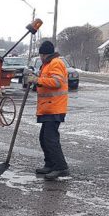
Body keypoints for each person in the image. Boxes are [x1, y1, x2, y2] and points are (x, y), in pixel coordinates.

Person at [28, 41, 69, 180]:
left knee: (50, 139)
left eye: (40, 55)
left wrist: (37, 80)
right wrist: (35, 81)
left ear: (45, 54)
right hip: (48, 108)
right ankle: (50, 164)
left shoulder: (55, 63)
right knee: (44, 138)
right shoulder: (46, 64)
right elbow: (44, 82)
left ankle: (61, 167)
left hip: (54, 108)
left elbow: (57, 82)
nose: (40, 57)